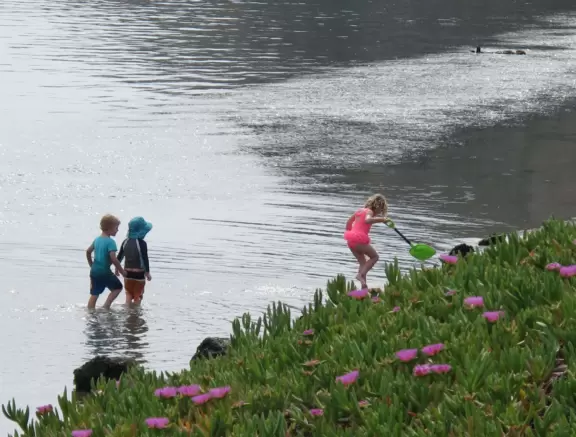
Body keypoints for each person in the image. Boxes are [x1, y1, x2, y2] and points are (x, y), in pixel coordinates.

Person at [344, 194, 390, 289]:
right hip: (359, 240)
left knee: (363, 263)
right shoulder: (369, 211)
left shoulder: (359, 211)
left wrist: (351, 234)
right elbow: (368, 220)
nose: (379, 213)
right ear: (378, 206)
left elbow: (348, 223)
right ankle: (360, 275)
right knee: (375, 257)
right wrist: (382, 219)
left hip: (351, 240)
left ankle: (363, 286)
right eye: (380, 210)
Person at [85, 214, 126, 309]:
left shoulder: (97, 240)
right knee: (117, 288)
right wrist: (122, 271)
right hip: (105, 272)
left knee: (94, 293)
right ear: (109, 228)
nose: (117, 230)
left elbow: (88, 252)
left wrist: (92, 265)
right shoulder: (110, 242)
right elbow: (114, 258)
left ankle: (90, 311)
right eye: (116, 228)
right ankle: (106, 306)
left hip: (94, 271)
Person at [116, 217, 153, 305]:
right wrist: (147, 272)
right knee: (138, 295)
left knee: (128, 293)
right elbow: (145, 258)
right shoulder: (142, 243)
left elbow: (119, 257)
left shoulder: (125, 242)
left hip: (127, 274)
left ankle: (127, 309)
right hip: (139, 274)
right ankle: (135, 314)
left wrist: (117, 270)